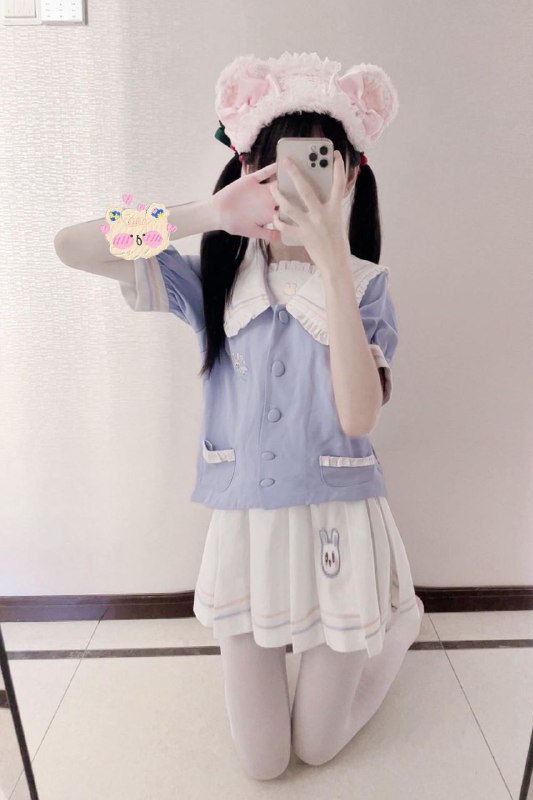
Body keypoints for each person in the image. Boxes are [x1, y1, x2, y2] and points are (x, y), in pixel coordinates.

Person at [54, 50, 425, 782]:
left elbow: (359, 417)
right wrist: (209, 214)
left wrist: (331, 260)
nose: (299, 187)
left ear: (351, 175)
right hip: (247, 528)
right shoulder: (216, 284)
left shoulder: (365, 287)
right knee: (263, 763)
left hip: (338, 526)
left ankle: (397, 625)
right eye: (280, 168)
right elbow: (73, 246)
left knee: (317, 746)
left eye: (320, 166)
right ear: (251, 168)